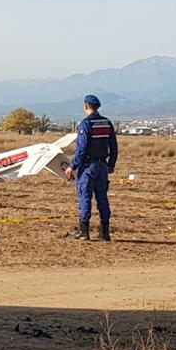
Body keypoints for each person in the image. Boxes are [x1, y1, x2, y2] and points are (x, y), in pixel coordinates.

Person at [65, 95, 118, 241]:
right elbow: (113, 146)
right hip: (102, 166)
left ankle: (84, 232)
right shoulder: (107, 123)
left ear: (86, 106)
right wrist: (111, 164)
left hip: (88, 167)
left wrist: (72, 166)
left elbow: (81, 149)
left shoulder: (86, 124)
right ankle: (104, 232)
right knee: (102, 198)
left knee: (85, 197)